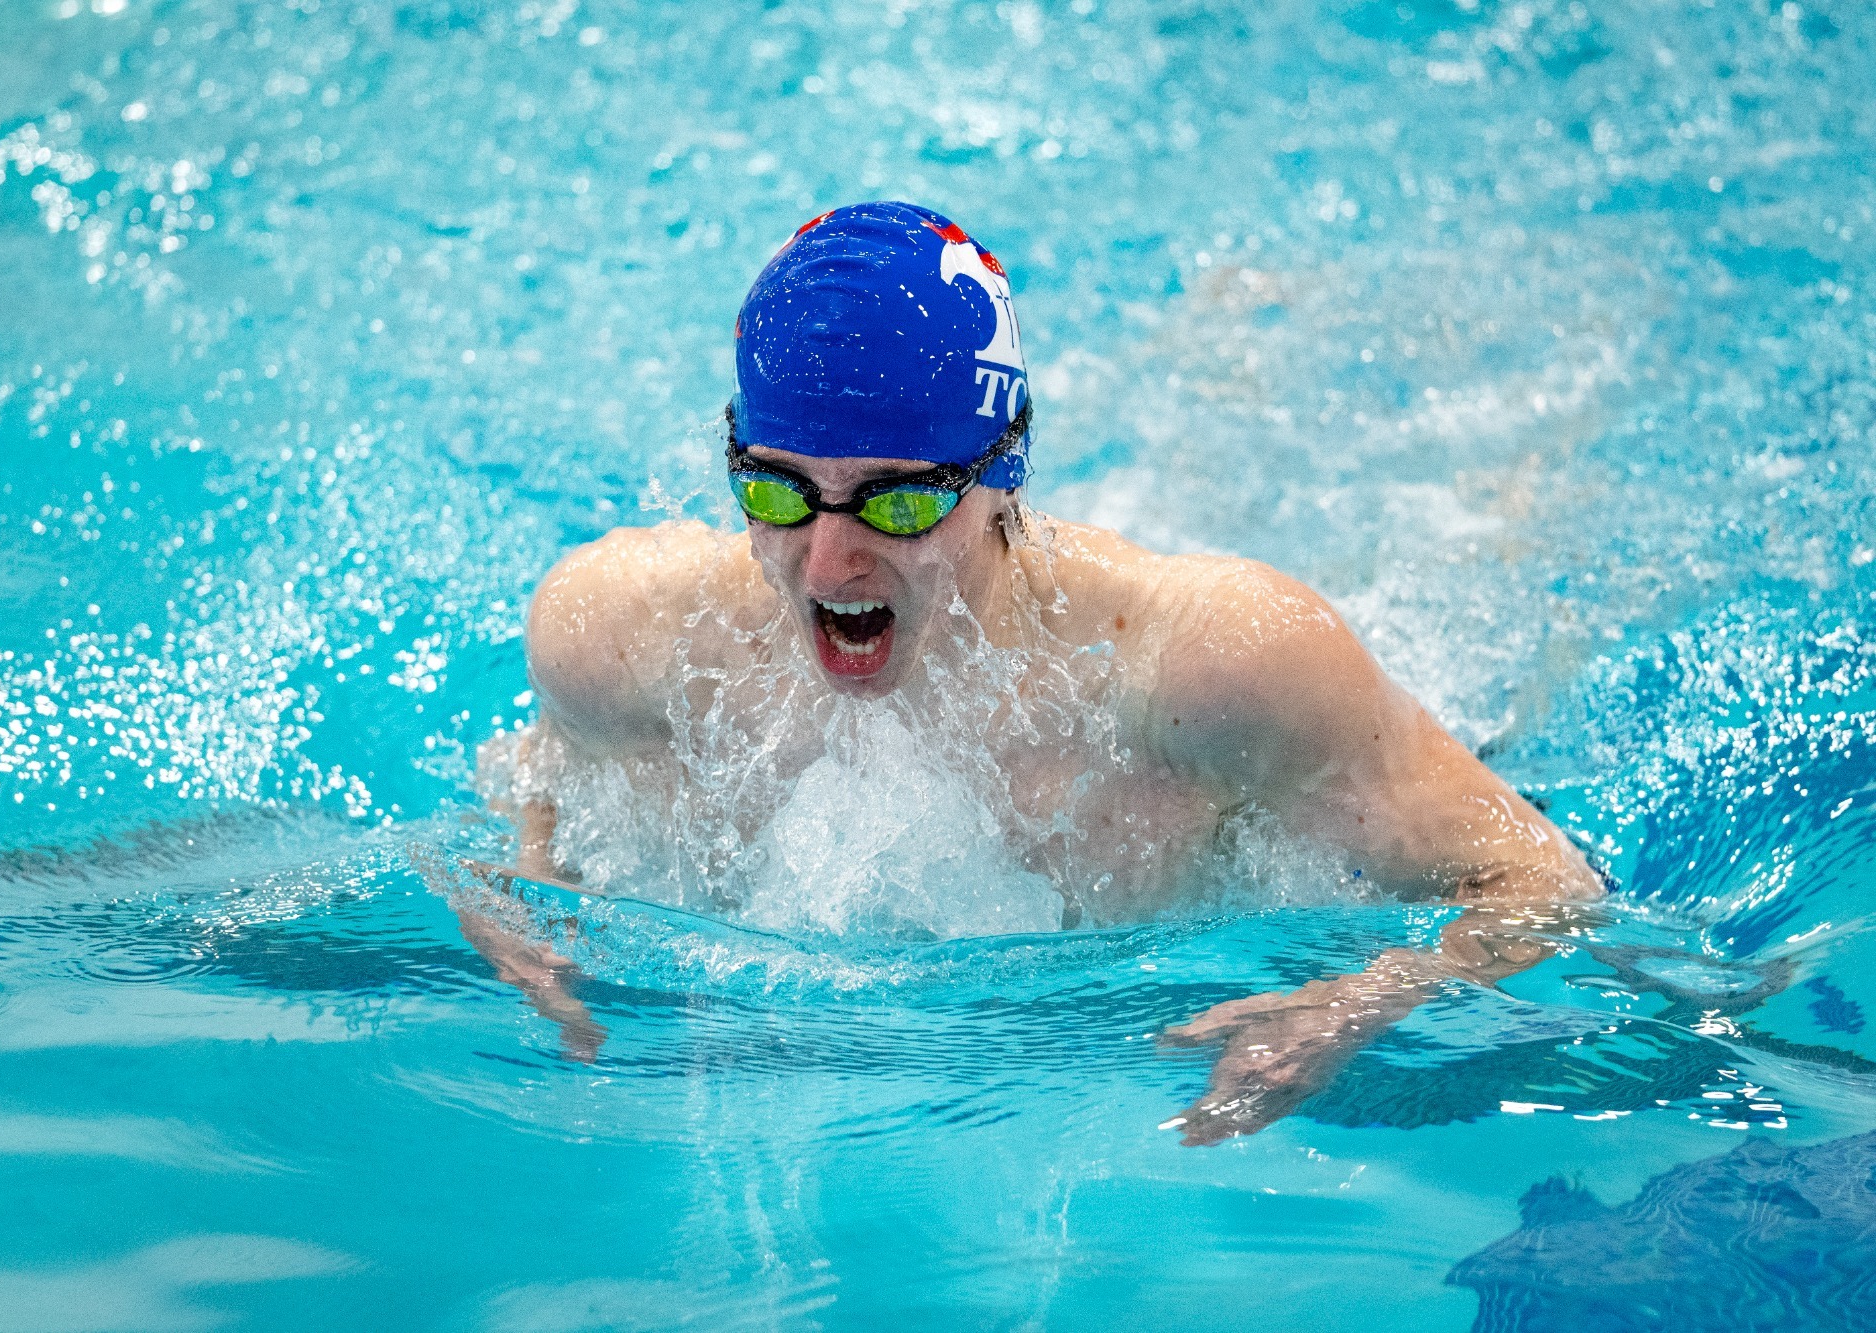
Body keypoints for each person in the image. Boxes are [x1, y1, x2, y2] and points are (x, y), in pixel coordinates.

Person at [458, 201, 1603, 1145]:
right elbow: (540, 779)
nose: (826, 561)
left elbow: (1541, 885)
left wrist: (1355, 1002)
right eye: (775, 490)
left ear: (1002, 469)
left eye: (896, 503)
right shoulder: (618, 633)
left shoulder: (1212, 669)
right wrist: (519, 885)